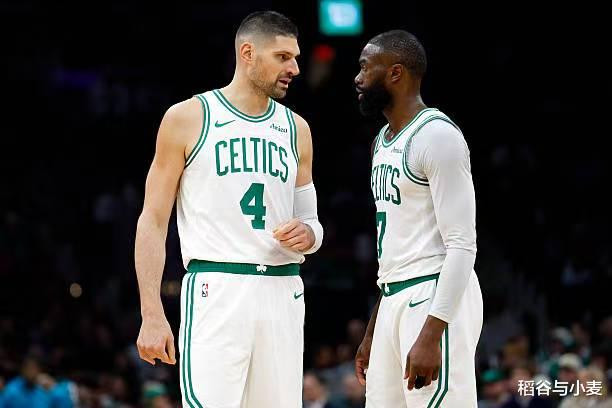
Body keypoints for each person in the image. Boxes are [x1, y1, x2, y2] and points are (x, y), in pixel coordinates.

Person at [134, 10, 323, 408]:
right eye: (283, 57)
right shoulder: (188, 118)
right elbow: (152, 219)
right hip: (218, 287)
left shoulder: (297, 129)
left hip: (283, 289)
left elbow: (312, 223)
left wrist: (309, 234)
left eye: (295, 58)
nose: (294, 68)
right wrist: (151, 312)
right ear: (247, 53)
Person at [353, 29, 483, 407]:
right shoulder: (382, 141)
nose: (358, 78)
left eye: (366, 67)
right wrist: (374, 328)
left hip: (433, 294)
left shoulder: (437, 137)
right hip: (393, 295)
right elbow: (397, 247)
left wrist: (432, 333)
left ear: (396, 73)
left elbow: (462, 244)